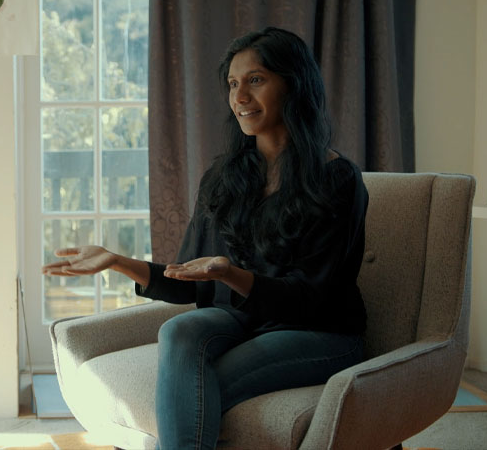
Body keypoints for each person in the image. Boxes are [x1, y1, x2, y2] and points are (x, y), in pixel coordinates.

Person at [42, 26, 368, 450]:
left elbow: (312, 299)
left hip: (320, 333)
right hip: (249, 323)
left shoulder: (336, 179)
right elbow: (188, 282)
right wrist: (117, 261)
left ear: (294, 84)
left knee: (194, 391)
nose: (240, 97)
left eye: (255, 80)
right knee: (180, 331)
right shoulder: (225, 177)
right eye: (233, 84)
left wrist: (233, 275)